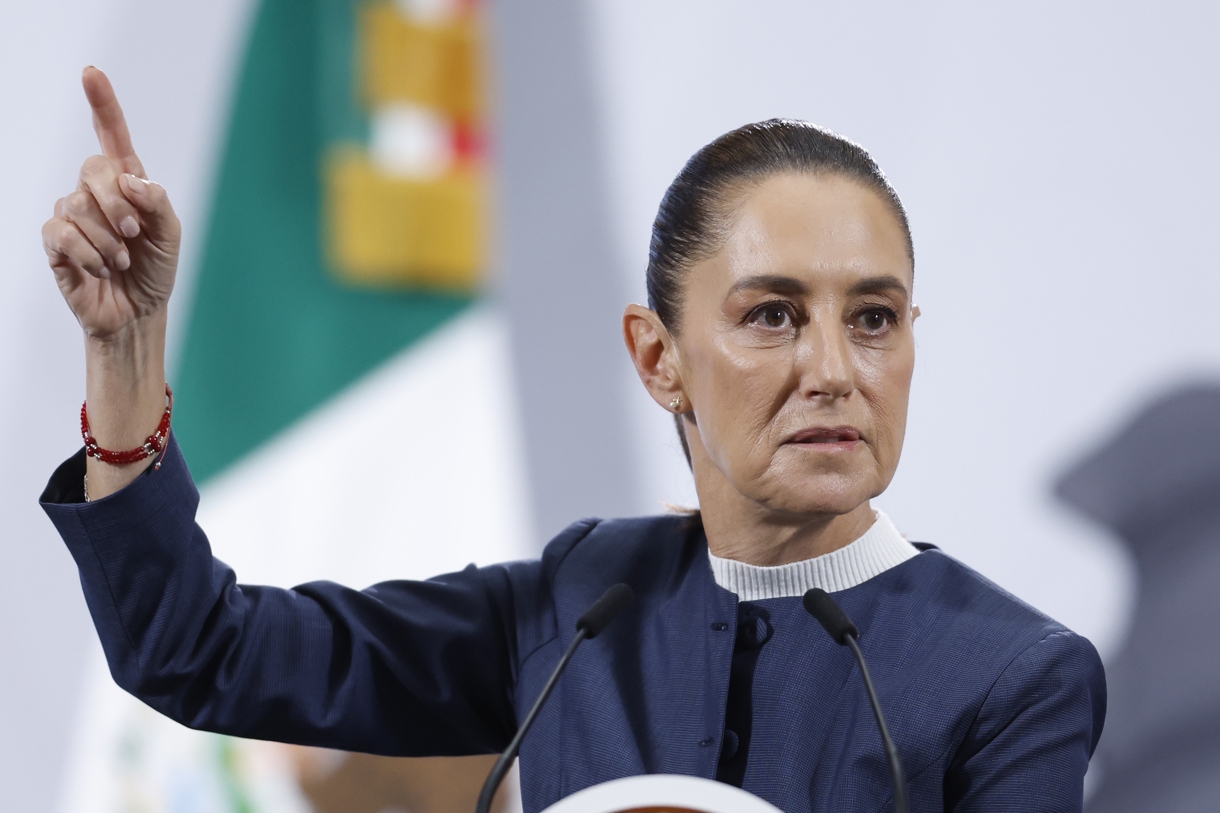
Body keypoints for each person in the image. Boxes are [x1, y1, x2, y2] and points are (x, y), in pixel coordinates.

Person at [40, 67, 1105, 812]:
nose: (832, 367)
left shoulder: (1012, 676)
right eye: (770, 315)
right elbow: (200, 654)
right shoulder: (581, 603)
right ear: (657, 360)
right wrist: (126, 353)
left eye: (871, 317)